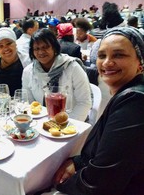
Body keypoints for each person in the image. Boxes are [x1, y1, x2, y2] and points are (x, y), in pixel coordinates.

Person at [51, 27, 144, 195]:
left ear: (140, 63)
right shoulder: (126, 94)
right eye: (102, 55)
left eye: (119, 55)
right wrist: (77, 162)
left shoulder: (135, 102)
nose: (107, 62)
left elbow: (100, 182)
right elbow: (107, 151)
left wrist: (57, 186)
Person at [22, 28, 91, 121]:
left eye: (45, 47)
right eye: (36, 49)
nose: (41, 52)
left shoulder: (72, 67)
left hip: (72, 121)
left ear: (54, 47)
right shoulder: (28, 71)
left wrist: (67, 125)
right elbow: (29, 103)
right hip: (41, 122)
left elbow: (84, 102)